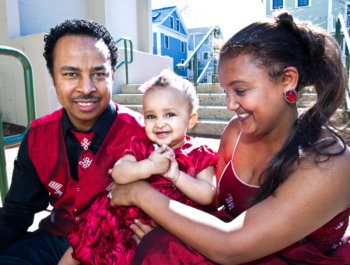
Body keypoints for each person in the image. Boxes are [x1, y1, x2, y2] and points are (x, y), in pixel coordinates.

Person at [108, 12, 350, 264]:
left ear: (287, 80)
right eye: (226, 91)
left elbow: (230, 245)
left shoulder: (329, 162)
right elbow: (211, 204)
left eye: (240, 90)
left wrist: (140, 193)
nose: (230, 103)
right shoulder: (236, 132)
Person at [0, 19, 146, 265]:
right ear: (52, 76)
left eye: (98, 74)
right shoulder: (37, 136)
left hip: (118, 248)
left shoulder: (144, 135)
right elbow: (17, 211)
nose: (86, 88)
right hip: (54, 241)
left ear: (113, 74)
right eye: (71, 74)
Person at [58, 70, 218, 265]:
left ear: (190, 120)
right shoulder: (142, 147)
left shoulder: (199, 153)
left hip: (167, 227)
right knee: (81, 247)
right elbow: (119, 172)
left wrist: (176, 176)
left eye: (169, 114)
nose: (159, 123)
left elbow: (207, 194)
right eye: (151, 116)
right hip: (121, 221)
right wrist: (149, 166)